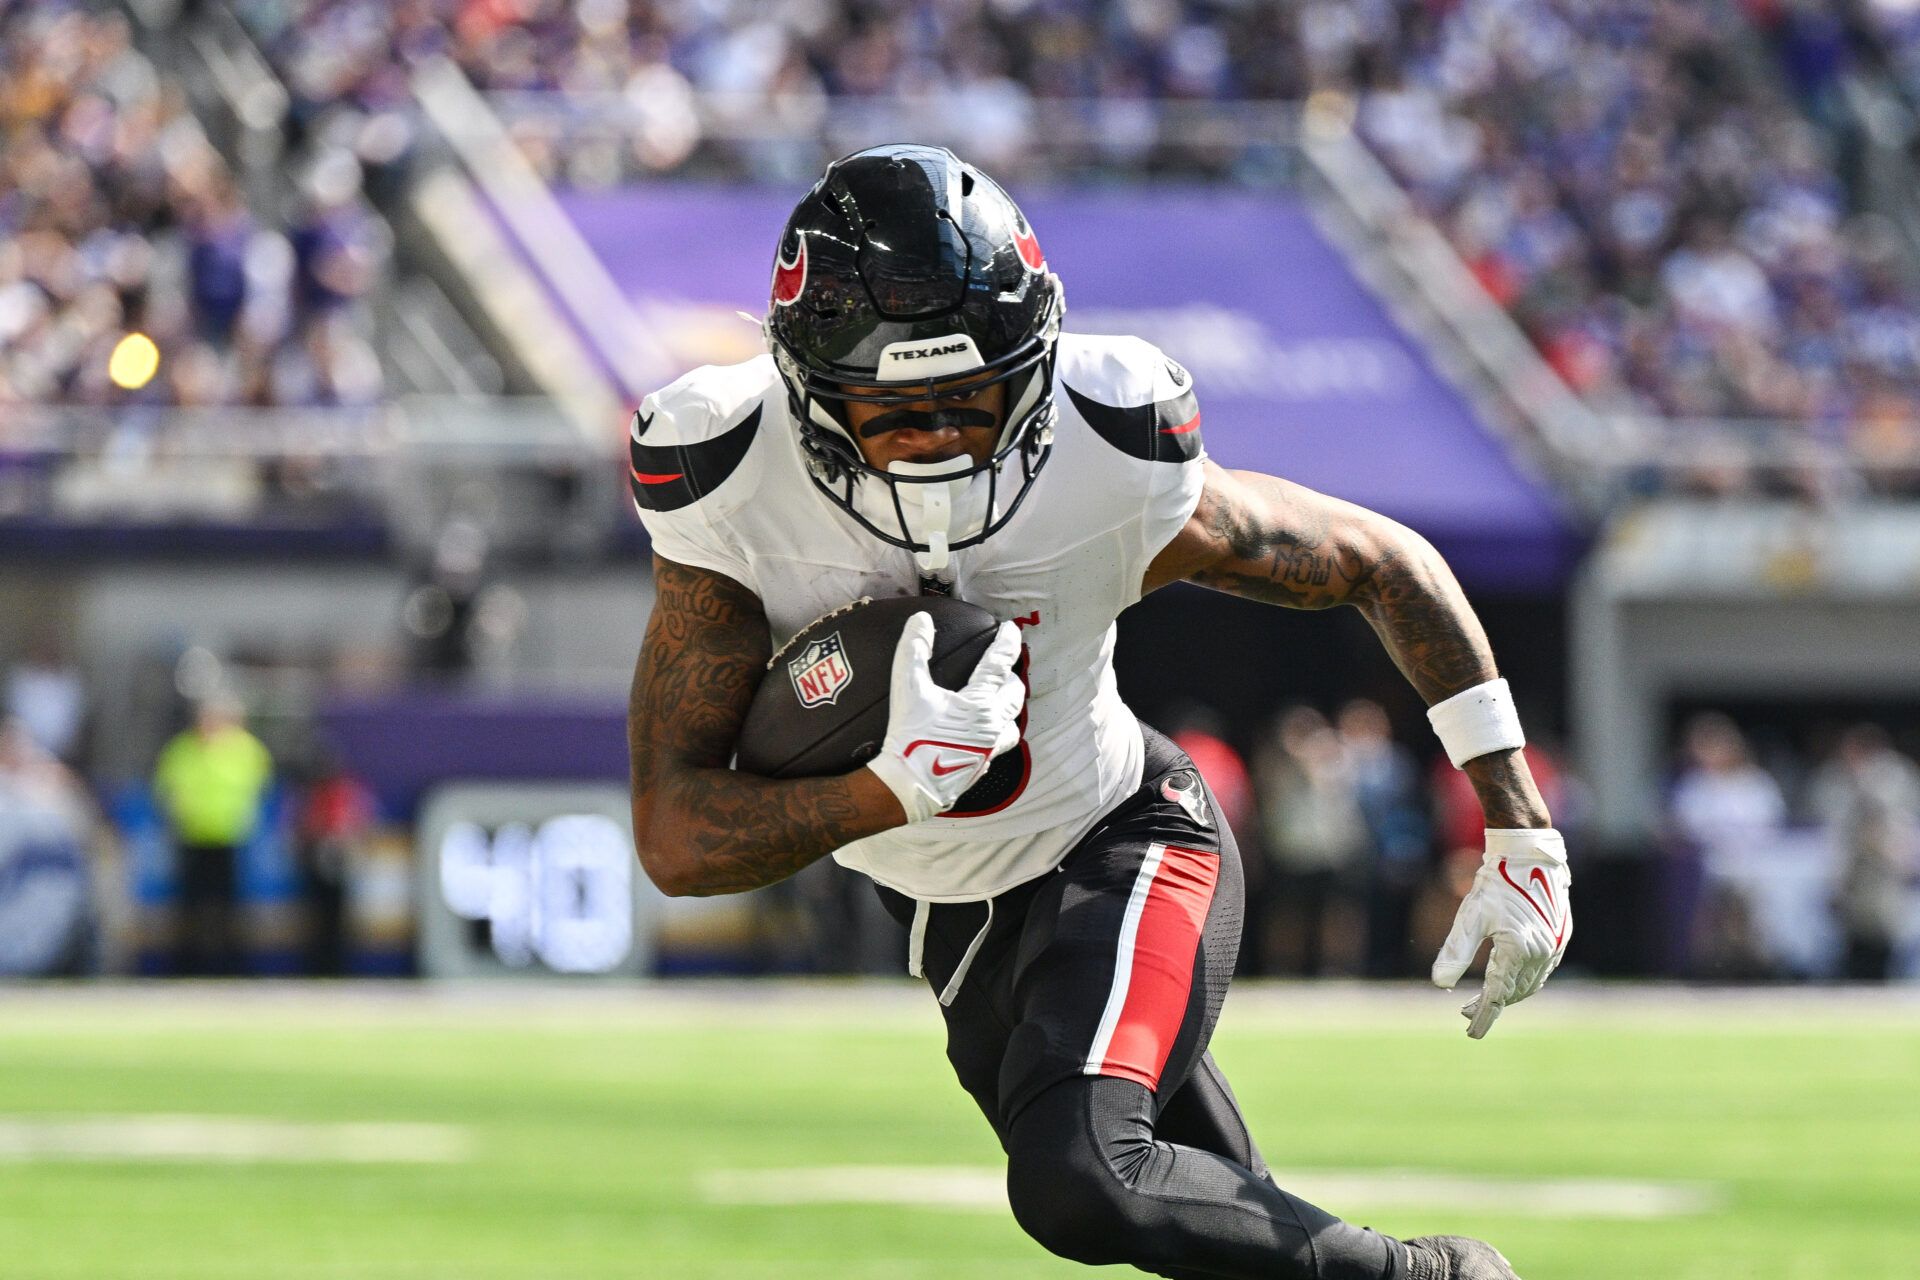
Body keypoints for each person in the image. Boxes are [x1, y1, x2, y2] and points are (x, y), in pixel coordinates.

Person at [625, 145, 1571, 1280]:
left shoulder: (1109, 450)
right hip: (950, 908)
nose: (939, 438)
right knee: (1204, 1217)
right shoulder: (728, 475)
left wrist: (1519, 824)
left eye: (971, 397)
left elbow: (1384, 561)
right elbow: (676, 838)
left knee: (1085, 1173)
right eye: (892, 410)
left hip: (1123, 833)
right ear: (807, 388)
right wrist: (885, 792)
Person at [151, 695, 274, 976]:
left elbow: (260, 789)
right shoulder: (182, 750)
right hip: (192, 838)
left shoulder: (247, 749)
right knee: (191, 907)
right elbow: (166, 790)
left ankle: (231, 967)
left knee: (229, 908)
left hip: (230, 839)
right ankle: (187, 966)